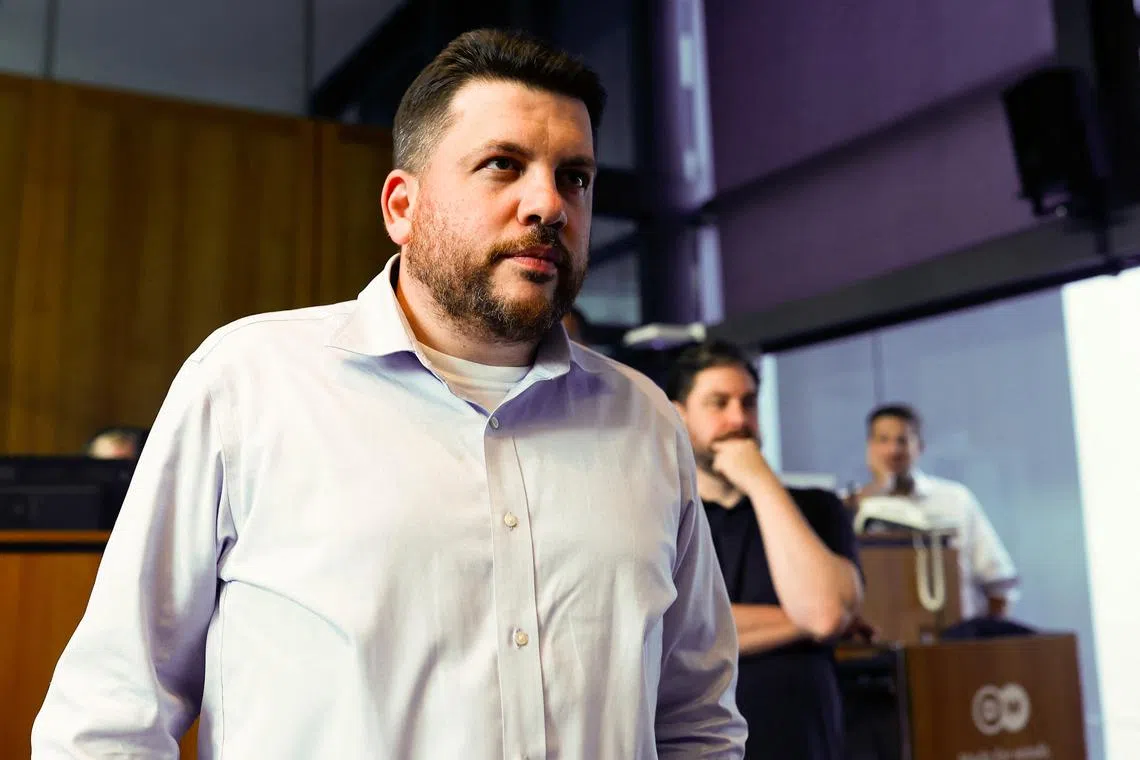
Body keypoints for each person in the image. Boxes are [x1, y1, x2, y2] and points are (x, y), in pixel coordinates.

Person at [32, 29, 745, 759]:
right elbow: (112, 713)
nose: (549, 205)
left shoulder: (645, 422)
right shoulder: (251, 382)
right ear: (402, 207)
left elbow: (696, 721)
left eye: (576, 178)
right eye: (504, 165)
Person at [667, 340, 863, 760]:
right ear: (678, 415)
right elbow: (673, 631)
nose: (739, 419)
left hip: (805, 742)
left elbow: (825, 611)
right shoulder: (660, 515)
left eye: (749, 403)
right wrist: (805, 622)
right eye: (718, 403)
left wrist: (759, 481)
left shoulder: (816, 507)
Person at [853, 403, 1018, 618]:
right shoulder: (852, 506)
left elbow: (998, 582)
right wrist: (872, 493)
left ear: (919, 446)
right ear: (870, 447)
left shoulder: (955, 498)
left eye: (902, 440)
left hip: (956, 637)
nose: (893, 451)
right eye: (883, 440)